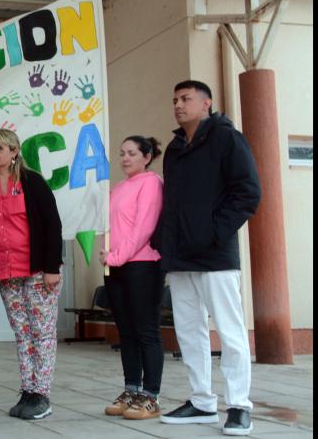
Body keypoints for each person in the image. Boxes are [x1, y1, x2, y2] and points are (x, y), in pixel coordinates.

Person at [156, 80, 261, 436]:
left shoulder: (227, 139)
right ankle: (201, 401)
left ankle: (238, 406)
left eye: (186, 99)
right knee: (189, 332)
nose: (178, 105)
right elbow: (172, 202)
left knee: (230, 332)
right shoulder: (174, 148)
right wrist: (166, 242)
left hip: (216, 255)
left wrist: (214, 232)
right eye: (175, 99)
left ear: (206, 104)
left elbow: (248, 193)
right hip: (180, 255)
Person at [0, 129, 63, 420]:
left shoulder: (32, 182)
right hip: (6, 272)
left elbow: (52, 224)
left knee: (42, 333)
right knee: (22, 333)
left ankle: (42, 393)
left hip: (39, 270)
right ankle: (28, 389)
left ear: (14, 151)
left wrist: (53, 267)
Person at [100, 136, 165, 420]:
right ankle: (131, 390)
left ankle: (150, 396)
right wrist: (107, 255)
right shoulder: (117, 188)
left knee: (146, 331)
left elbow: (143, 229)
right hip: (116, 267)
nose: (125, 158)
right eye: (122, 153)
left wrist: (116, 257)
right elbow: (109, 226)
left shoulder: (151, 182)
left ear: (147, 156)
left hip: (143, 265)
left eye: (132, 153)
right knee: (126, 332)